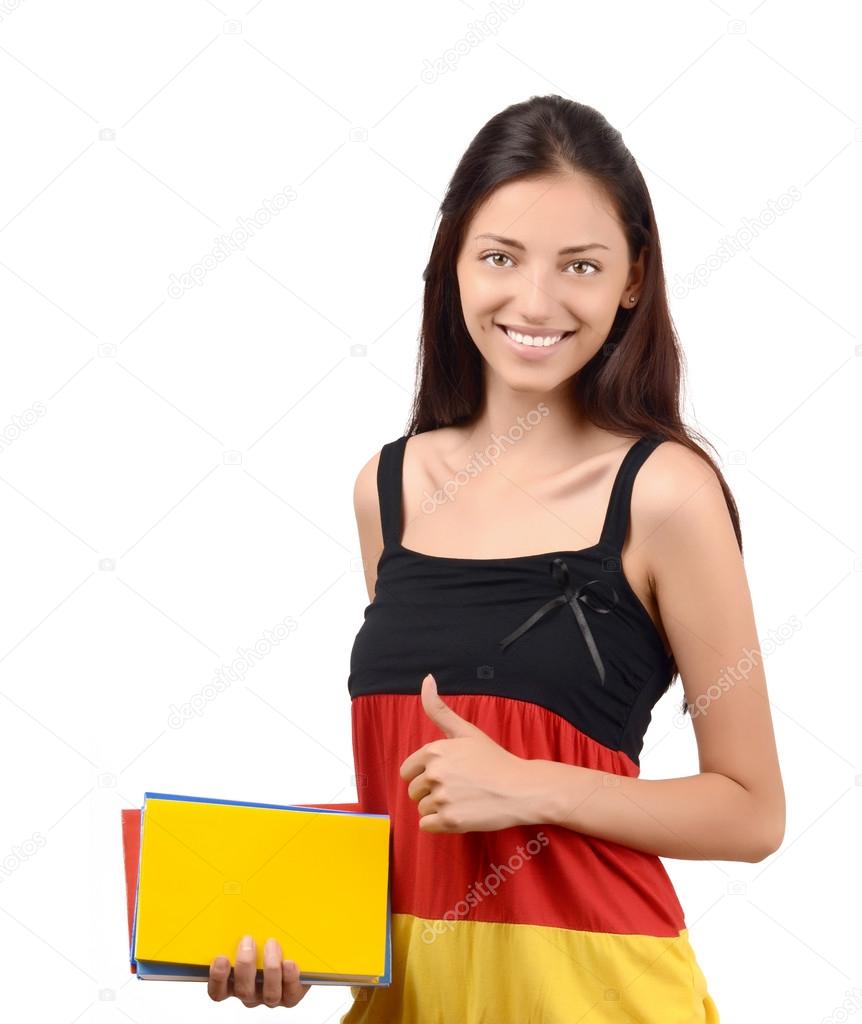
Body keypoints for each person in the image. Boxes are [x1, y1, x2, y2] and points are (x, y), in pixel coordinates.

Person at [208, 93, 785, 1021]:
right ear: (453, 266)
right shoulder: (387, 490)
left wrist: (532, 786)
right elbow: (422, 803)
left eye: (582, 266)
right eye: (500, 258)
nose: (535, 301)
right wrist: (293, 929)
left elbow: (754, 812)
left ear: (633, 280)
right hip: (412, 1000)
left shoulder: (666, 494)